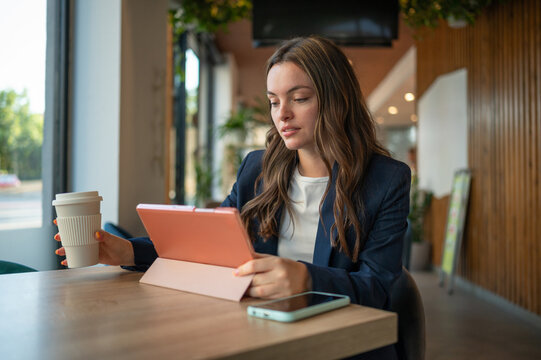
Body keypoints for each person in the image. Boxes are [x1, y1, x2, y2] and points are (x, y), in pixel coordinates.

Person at [55, 36, 410, 359]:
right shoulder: (257, 168)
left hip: (342, 344)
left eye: (299, 98)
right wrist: (128, 251)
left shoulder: (385, 180)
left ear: (337, 99)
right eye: (274, 102)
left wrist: (307, 279)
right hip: (258, 333)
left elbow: (378, 289)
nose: (281, 114)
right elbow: (207, 246)